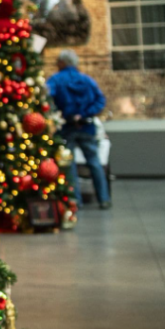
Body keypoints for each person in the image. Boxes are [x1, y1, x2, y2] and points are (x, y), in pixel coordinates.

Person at [46, 49, 112, 209]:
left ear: (63, 62)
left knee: (68, 164)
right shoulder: (87, 80)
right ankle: (104, 199)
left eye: (57, 62)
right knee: (94, 162)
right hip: (86, 126)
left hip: (66, 127)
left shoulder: (56, 80)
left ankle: (75, 200)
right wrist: (84, 114)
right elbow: (100, 101)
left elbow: (45, 97)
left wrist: (60, 114)